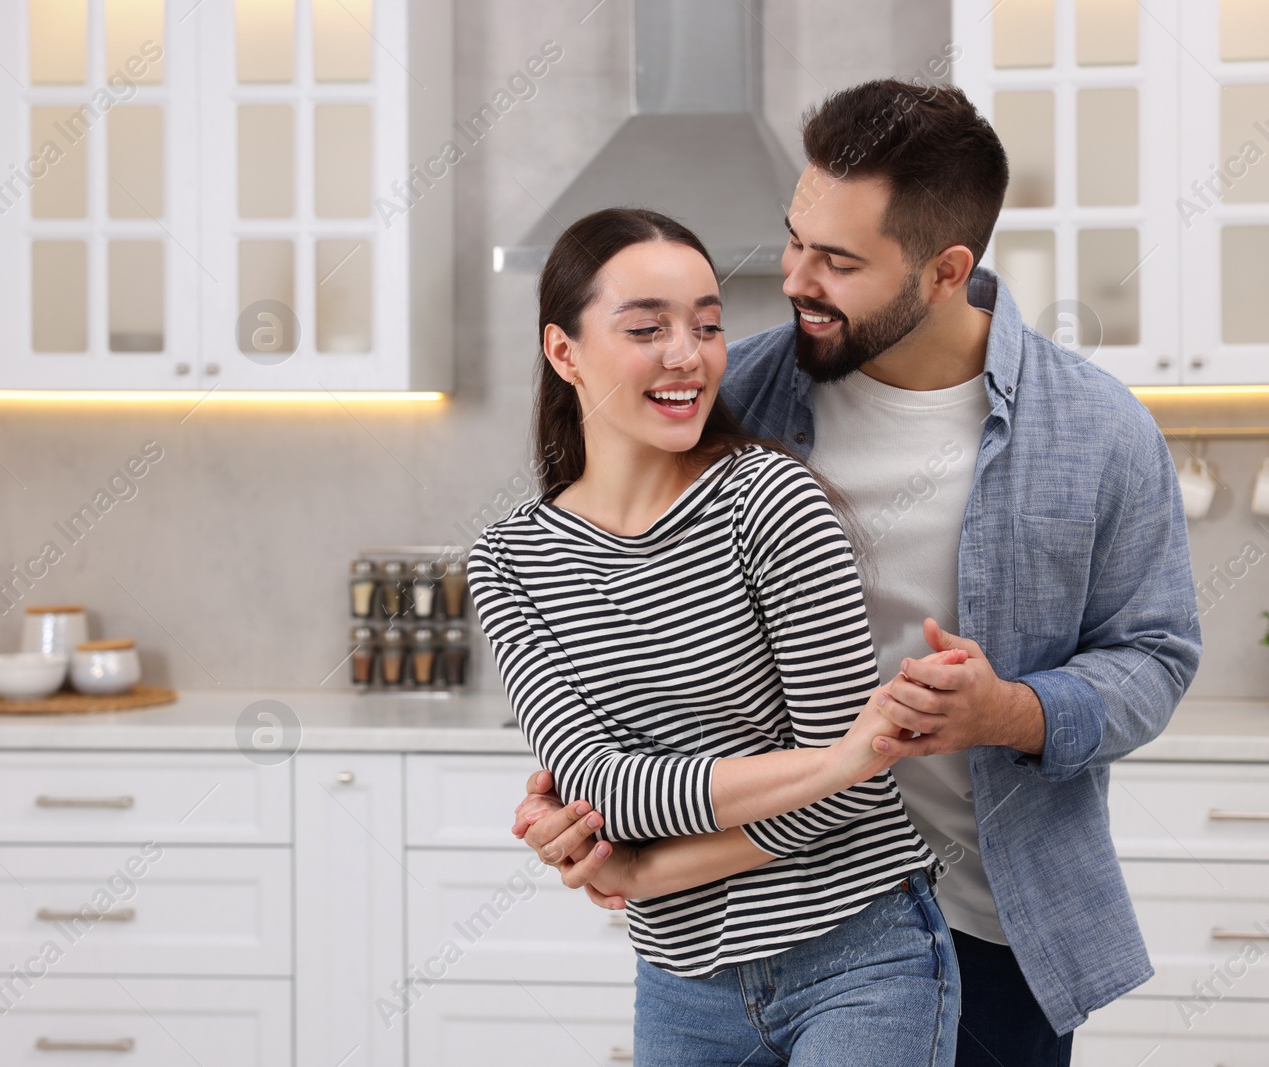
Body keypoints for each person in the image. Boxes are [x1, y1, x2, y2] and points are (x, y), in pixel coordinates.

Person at [512, 80, 1201, 1067]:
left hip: (996, 928)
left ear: (943, 270)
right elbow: (606, 597)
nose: (794, 277)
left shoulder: (1095, 428)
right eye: (795, 238)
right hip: (764, 916)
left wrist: (1009, 708)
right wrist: (583, 798)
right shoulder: (731, 390)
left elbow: (1155, 655)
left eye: (837, 260)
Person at [467, 205, 964, 1066]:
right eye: (646, 328)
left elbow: (843, 799)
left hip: (863, 954)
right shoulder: (509, 560)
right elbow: (599, 793)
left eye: (706, 324)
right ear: (564, 352)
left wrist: (645, 872)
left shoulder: (769, 501)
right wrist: (835, 760)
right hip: (683, 984)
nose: (686, 356)